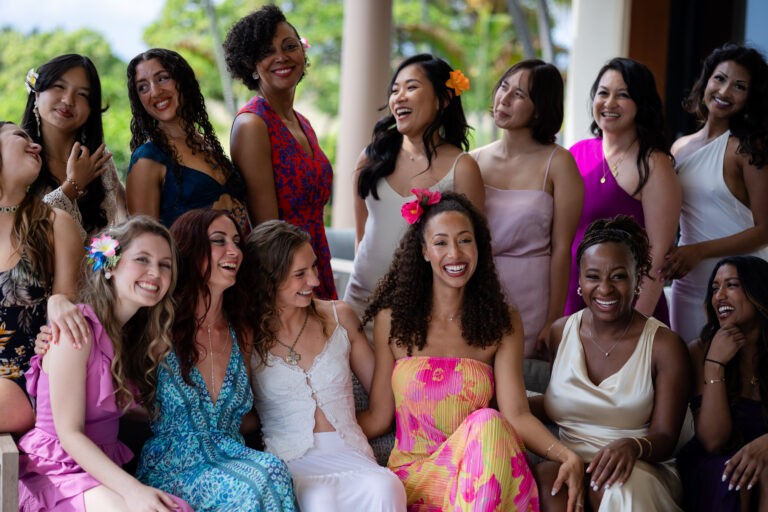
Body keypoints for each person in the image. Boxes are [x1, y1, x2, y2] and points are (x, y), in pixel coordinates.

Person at [359, 191, 583, 512]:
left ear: (478, 247)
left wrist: (566, 454)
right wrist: (316, 439)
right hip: (416, 479)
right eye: (440, 243)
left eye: (465, 240)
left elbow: (516, 414)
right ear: (423, 252)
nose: (455, 253)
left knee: (489, 422)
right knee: (488, 422)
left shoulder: (501, 321)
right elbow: (379, 416)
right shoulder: (393, 320)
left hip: (482, 478)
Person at [18, 216, 192, 511]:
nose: (155, 272)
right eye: (142, 259)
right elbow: (69, 434)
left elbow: (131, 408)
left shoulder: (137, 337)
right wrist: (135, 490)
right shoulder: (78, 328)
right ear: (109, 266)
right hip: (57, 471)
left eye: (165, 264)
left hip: (100, 472)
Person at [135, 209, 299, 511]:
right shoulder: (158, 323)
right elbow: (125, 400)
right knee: (261, 478)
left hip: (233, 456)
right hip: (173, 466)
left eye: (237, 241)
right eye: (219, 241)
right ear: (190, 249)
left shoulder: (242, 333)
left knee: (271, 469)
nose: (234, 250)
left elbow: (247, 416)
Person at [247, 220, 406, 511]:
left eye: (314, 267)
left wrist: (386, 337)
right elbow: (236, 414)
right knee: (318, 499)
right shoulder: (247, 337)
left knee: (386, 485)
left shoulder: (340, 316)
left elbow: (382, 409)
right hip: (292, 463)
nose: (315, 281)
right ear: (268, 280)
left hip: (353, 455)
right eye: (300, 274)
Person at [537, 215, 690, 511]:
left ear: (638, 279)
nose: (604, 288)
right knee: (548, 483)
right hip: (571, 460)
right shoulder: (561, 332)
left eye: (618, 276)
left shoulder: (665, 345)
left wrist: (632, 446)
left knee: (617, 487)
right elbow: (563, 401)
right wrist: (493, 402)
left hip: (640, 467)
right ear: (579, 281)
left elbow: (667, 437)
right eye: (593, 276)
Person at [344, 53, 485, 327]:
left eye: (411, 87)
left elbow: (471, 250)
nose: (399, 97)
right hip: (360, 303)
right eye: (395, 90)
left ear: (442, 99)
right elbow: (362, 237)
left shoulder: (463, 168)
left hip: (423, 313)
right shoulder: (371, 157)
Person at [472, 59, 583, 366]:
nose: (504, 99)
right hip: (478, 290)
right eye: (503, 87)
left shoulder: (559, 163)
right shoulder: (472, 161)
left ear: (540, 108)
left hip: (532, 296)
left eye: (519, 94)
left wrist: (553, 319)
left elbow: (563, 249)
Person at [224, 5, 336, 300]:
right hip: (282, 273)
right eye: (266, 52)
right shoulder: (252, 124)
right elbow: (266, 232)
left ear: (302, 52)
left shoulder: (304, 123)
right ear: (250, 64)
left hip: (315, 260)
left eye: (289, 47)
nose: (281, 57)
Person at [663, 44, 768, 342]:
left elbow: (765, 230)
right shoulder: (679, 148)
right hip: (689, 282)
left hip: (742, 285)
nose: (724, 91)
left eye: (739, 86)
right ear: (706, 81)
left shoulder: (747, 149)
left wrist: (699, 251)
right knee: (689, 373)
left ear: (751, 97)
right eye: (719, 79)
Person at [565, 58, 680, 324]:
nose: (609, 103)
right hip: (573, 294)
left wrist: (634, 328)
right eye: (603, 93)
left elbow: (657, 257)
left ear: (642, 104)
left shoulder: (654, 164)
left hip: (629, 305)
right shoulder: (575, 153)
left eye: (623, 95)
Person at [0, 121, 82, 434]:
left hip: (24, 381)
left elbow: (67, 304)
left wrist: (59, 305)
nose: (35, 145)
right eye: (20, 136)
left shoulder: (53, 222)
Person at [677, 256, 768, 512]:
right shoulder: (699, 350)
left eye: (731, 285)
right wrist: (714, 364)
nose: (719, 296)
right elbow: (713, 441)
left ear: (758, 292)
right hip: (715, 463)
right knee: (732, 473)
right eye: (715, 288)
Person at [125, 48, 250, 232]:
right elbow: (144, 241)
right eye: (143, 87)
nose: (155, 91)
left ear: (182, 80)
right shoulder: (147, 158)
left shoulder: (208, 145)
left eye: (162, 78)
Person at [22, 53, 127, 241]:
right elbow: (21, 231)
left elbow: (125, 219)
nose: (68, 101)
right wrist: (72, 186)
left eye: (82, 94)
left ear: (91, 109)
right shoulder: (16, 155)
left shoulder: (98, 159)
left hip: (96, 271)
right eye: (59, 87)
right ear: (37, 94)